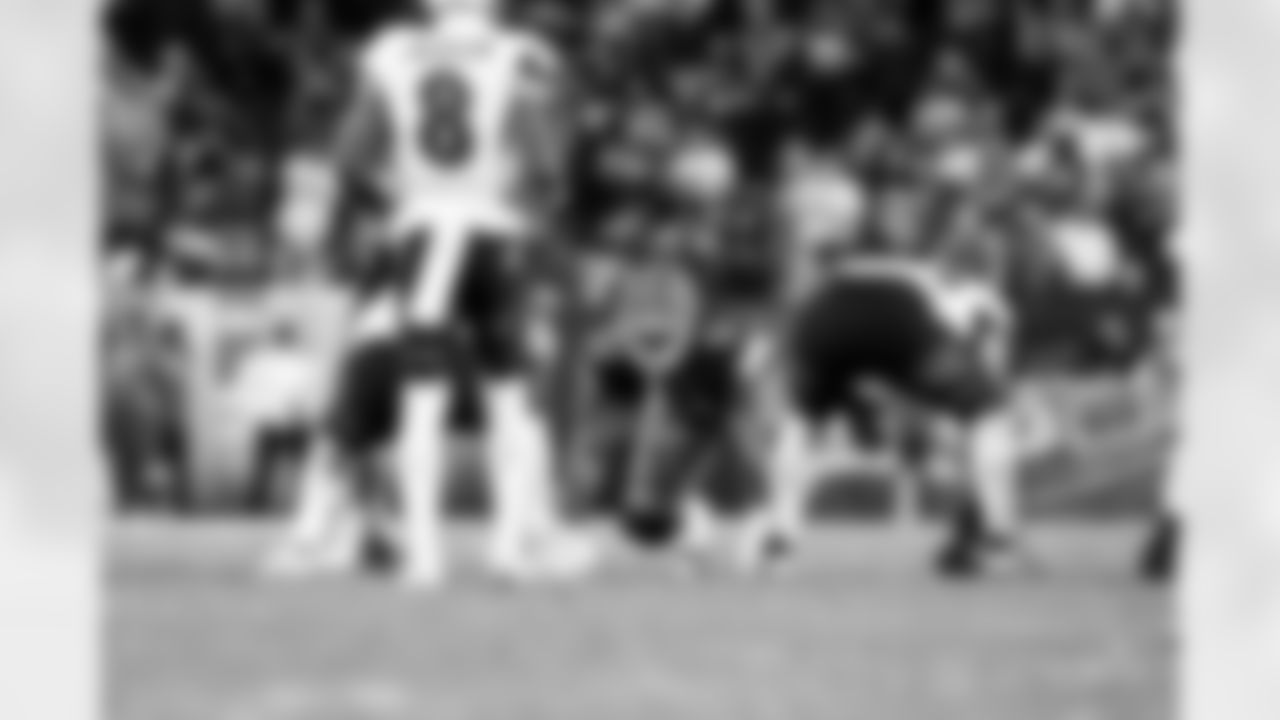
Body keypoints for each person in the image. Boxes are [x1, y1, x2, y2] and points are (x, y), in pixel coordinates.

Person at [264, 0, 593, 589]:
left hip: (426, 233)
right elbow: (546, 167)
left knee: (421, 398)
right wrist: (518, 215)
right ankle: (514, 546)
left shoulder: (392, 54)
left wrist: (395, 207)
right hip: (494, 234)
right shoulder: (518, 56)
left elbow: (350, 159)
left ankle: (419, 555)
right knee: (512, 400)